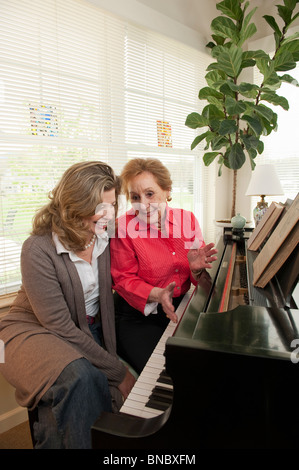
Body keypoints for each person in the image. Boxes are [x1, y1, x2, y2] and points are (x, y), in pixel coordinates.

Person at [0, 161, 135, 449]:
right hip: (26, 330)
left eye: (112, 205)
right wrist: (118, 372)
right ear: (75, 205)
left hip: (82, 327)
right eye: (100, 207)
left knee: (91, 384)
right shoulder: (38, 248)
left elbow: (140, 267)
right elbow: (58, 325)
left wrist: (190, 267)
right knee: (80, 378)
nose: (108, 215)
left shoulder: (105, 235)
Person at [110, 158, 217, 374]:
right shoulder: (122, 226)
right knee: (165, 374)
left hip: (180, 309)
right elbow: (123, 279)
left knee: (203, 367)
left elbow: (199, 278)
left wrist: (196, 269)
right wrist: (158, 294)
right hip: (137, 317)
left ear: (167, 190)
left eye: (150, 194)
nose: (143, 204)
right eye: (135, 197)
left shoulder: (187, 219)